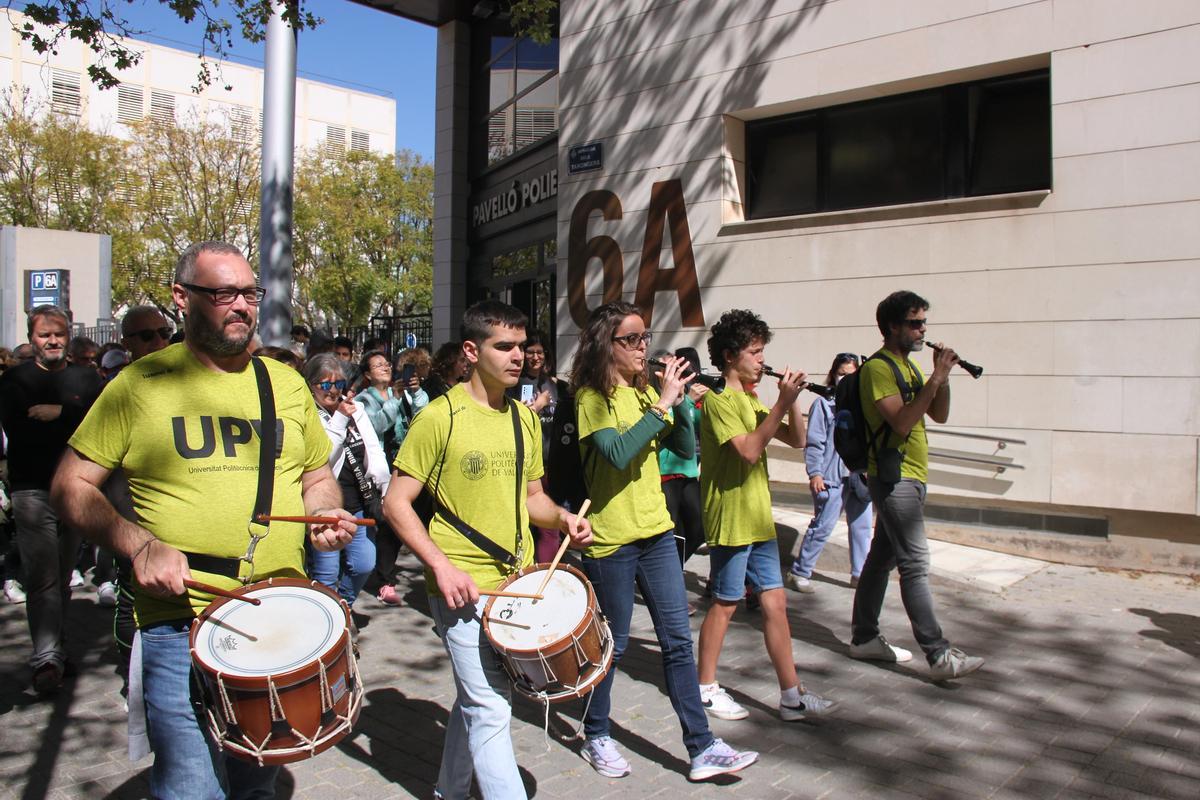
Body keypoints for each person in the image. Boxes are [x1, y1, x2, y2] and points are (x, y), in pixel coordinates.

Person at [51, 241, 356, 799]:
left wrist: (322, 512)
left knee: (255, 788)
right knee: (193, 789)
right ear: (181, 298)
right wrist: (140, 546)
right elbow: (69, 485)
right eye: (223, 293)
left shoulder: (283, 384)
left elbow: (316, 476)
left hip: (275, 615)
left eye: (249, 293)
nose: (241, 306)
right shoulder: (141, 385)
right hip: (177, 624)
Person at [383, 300, 592, 800]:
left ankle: (448, 791)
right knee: (492, 706)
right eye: (505, 346)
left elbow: (532, 498)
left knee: (477, 699)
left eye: (522, 346)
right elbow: (396, 503)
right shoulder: (440, 417)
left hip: (515, 582)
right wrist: (439, 565)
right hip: (459, 584)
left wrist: (565, 519)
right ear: (473, 351)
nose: (518, 356)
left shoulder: (522, 418)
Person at [570, 301, 757, 782]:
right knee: (616, 644)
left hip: (655, 532)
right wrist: (660, 404)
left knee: (677, 642)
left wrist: (683, 407)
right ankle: (596, 733)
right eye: (630, 339)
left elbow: (682, 450)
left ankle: (702, 747)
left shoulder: (644, 392)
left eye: (644, 338)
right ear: (605, 345)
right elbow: (614, 454)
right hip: (611, 540)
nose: (642, 348)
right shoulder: (593, 397)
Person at [691, 309, 836, 723]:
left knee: (775, 603)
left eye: (762, 352)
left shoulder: (751, 399)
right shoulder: (718, 401)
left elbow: (795, 438)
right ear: (730, 355)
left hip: (757, 519)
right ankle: (705, 688)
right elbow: (750, 449)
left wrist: (794, 402)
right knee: (725, 602)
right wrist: (783, 401)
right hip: (731, 517)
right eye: (754, 352)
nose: (761, 360)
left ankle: (791, 695)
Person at [849, 290, 984, 680]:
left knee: (880, 560)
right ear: (892, 327)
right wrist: (936, 376)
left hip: (912, 475)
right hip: (894, 478)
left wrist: (942, 379)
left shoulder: (909, 368)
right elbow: (902, 422)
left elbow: (938, 414)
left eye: (924, 322)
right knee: (915, 564)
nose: (922, 329)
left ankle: (863, 638)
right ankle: (939, 654)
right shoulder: (878, 369)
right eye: (914, 322)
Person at [0, 304, 102, 692]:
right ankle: (45, 658)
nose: (53, 341)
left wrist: (60, 412)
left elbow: (102, 427)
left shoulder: (87, 380)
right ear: (32, 339)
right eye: (45, 335)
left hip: (77, 489)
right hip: (32, 490)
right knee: (41, 578)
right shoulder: (14, 381)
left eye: (59, 333)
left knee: (62, 577)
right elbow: (21, 432)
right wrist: (72, 419)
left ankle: (57, 650)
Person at [305, 352, 389, 616]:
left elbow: (373, 449)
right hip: (325, 505)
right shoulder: (307, 414)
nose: (333, 391)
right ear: (311, 385)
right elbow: (322, 457)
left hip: (358, 502)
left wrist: (383, 484)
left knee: (364, 563)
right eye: (325, 385)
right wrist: (340, 419)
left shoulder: (356, 408)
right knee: (326, 573)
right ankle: (329, 623)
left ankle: (343, 607)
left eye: (339, 384)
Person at [787, 353, 874, 592]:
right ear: (833, 375)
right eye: (842, 373)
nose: (846, 378)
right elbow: (815, 442)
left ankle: (859, 574)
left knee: (862, 526)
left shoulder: (864, 402)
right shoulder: (824, 404)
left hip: (859, 475)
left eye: (851, 374)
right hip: (831, 477)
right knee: (823, 525)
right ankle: (800, 572)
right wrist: (815, 473)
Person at [356, 349, 428, 607]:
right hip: (381, 469)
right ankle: (385, 580)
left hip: (407, 465)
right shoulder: (364, 400)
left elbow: (423, 417)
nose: (385, 368)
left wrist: (415, 392)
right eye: (378, 366)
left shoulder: (404, 393)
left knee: (411, 517)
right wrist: (394, 399)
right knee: (387, 524)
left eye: (387, 364)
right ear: (367, 374)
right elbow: (375, 426)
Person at [504, 332, 567, 562]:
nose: (535, 356)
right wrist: (537, 407)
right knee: (533, 523)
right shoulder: (513, 384)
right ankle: (535, 573)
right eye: (530, 351)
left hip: (551, 461)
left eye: (540, 352)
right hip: (525, 463)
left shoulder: (553, 383)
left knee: (549, 526)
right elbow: (511, 420)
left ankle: (542, 573)